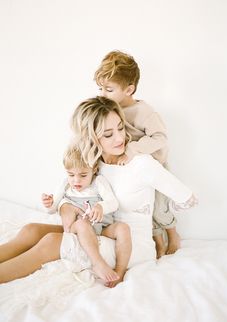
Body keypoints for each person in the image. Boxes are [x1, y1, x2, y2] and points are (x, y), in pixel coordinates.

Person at [0, 96, 196, 286]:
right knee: (31, 230)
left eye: (120, 127)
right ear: (90, 137)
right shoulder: (93, 164)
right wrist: (65, 206)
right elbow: (73, 193)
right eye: (108, 134)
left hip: (130, 246)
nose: (120, 138)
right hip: (98, 230)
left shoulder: (141, 164)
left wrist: (158, 225)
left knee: (51, 242)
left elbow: (186, 197)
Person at [94, 50, 187, 258]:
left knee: (159, 210)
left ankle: (173, 234)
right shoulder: (111, 109)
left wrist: (133, 149)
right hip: (133, 168)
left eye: (108, 89)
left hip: (154, 166)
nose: (102, 94)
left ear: (129, 89)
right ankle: (156, 240)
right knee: (144, 209)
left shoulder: (145, 112)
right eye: (100, 88)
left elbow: (160, 138)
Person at [41, 146, 132, 286]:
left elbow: (113, 203)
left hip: (101, 228)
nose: (76, 180)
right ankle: (98, 263)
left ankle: (120, 271)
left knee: (123, 228)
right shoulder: (65, 185)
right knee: (82, 223)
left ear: (94, 170)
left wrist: (101, 206)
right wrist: (48, 204)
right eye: (71, 175)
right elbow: (53, 209)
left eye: (83, 175)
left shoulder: (98, 182)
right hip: (77, 229)